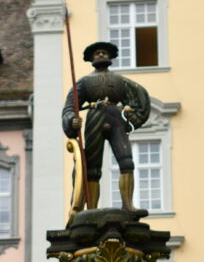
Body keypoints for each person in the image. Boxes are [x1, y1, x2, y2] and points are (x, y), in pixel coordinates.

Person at [62, 41, 151, 211]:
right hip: (95, 118)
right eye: (97, 53)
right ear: (91, 58)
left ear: (110, 56)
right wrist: (72, 120)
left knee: (127, 161)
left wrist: (130, 118)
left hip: (116, 118)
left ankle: (128, 205)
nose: (101, 54)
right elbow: (70, 107)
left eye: (104, 52)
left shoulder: (120, 81)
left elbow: (139, 98)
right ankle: (91, 209)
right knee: (92, 168)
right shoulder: (83, 82)